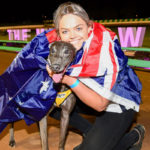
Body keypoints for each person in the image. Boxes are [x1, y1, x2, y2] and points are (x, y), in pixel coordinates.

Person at [46, 2, 145, 150]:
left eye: (78, 28)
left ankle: (134, 136)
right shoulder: (61, 44)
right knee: (46, 105)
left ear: (89, 27)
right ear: (58, 34)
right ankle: (92, 132)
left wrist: (67, 79)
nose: (72, 36)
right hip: (89, 93)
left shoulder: (105, 49)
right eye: (65, 31)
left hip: (117, 101)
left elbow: (100, 104)